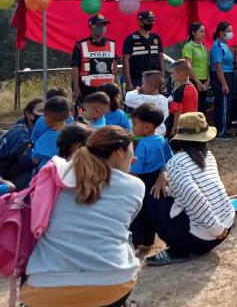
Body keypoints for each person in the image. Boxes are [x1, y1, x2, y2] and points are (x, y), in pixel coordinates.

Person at [22, 126, 143, 307]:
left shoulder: (56, 175)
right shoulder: (135, 186)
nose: (134, 158)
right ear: (119, 152)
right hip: (112, 286)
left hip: (44, 291)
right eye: (132, 151)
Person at [146, 112, 235, 266]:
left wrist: (216, 229)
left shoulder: (176, 162)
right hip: (227, 224)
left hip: (205, 238)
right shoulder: (207, 155)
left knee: (153, 196)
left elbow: (195, 197)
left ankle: (177, 250)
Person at [129, 103, 173, 251]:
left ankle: (136, 243)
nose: (132, 127)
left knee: (139, 214)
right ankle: (148, 241)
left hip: (143, 181)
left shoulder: (143, 145)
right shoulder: (162, 140)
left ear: (147, 127)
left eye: (135, 124)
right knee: (154, 212)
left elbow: (136, 169)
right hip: (158, 180)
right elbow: (170, 159)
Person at [0, 97, 42, 189]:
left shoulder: (33, 132)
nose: (45, 115)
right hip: (4, 182)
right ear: (28, 114)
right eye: (41, 111)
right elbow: (26, 160)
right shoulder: (19, 132)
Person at [71, 14, 117, 105]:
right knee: (85, 112)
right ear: (91, 27)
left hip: (107, 89)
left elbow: (114, 68)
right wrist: (76, 89)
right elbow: (75, 69)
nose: (102, 28)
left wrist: (115, 85)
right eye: (99, 25)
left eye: (104, 25)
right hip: (87, 89)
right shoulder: (80, 45)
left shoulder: (112, 44)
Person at [122, 10, 164, 91]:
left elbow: (161, 57)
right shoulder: (131, 39)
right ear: (140, 21)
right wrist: (129, 82)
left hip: (155, 79)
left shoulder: (156, 37)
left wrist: (163, 77)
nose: (151, 23)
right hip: (137, 80)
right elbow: (125, 60)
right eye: (148, 20)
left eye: (152, 20)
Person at [209, 21, 235, 139]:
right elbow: (218, 67)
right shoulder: (217, 46)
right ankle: (221, 131)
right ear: (221, 33)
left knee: (226, 104)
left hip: (228, 75)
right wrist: (224, 84)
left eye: (231, 31)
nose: (231, 33)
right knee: (222, 104)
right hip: (221, 77)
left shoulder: (225, 44)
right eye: (228, 31)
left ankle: (225, 128)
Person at [124, 71, 170, 136]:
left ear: (150, 85)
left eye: (143, 83)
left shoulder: (147, 99)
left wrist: (136, 91)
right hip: (160, 132)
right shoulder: (164, 99)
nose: (141, 86)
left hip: (146, 133)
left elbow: (128, 98)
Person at [32, 96, 71, 171]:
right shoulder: (74, 135)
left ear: (46, 118)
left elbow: (35, 160)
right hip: (67, 172)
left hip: (47, 174)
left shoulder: (44, 139)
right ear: (68, 115)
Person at [181, 22, 209, 112]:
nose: (203, 34)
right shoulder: (188, 47)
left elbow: (206, 63)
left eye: (204, 31)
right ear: (193, 33)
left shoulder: (203, 46)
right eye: (201, 31)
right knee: (194, 107)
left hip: (204, 81)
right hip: (193, 80)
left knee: (202, 106)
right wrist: (197, 81)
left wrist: (208, 79)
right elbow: (188, 65)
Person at [169, 60, 199, 136]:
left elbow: (177, 111)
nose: (171, 75)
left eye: (173, 73)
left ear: (180, 74)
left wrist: (175, 128)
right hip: (192, 124)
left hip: (181, 126)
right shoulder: (193, 87)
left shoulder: (179, 91)